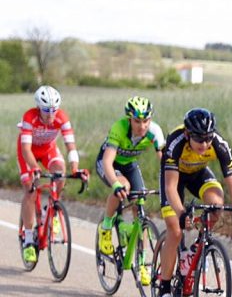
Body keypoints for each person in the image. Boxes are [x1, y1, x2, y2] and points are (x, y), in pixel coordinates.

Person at [155, 108, 232, 297]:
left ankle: (197, 247)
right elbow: (171, 188)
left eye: (208, 138)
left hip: (198, 174)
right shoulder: (175, 142)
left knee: (216, 204)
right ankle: (164, 291)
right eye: (200, 139)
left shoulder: (219, 144)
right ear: (188, 134)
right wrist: (181, 213)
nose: (205, 144)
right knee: (175, 230)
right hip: (174, 178)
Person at [96, 96, 165, 285]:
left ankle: (141, 264)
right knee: (123, 186)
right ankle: (107, 228)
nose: (142, 126)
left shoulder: (154, 132)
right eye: (137, 121)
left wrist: (170, 187)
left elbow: (167, 163)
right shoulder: (119, 128)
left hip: (129, 165)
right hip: (108, 164)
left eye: (146, 121)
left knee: (140, 201)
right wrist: (115, 183)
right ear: (129, 119)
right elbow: (108, 161)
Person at [17, 85, 86, 263]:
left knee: (60, 174)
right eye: (46, 111)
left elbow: (71, 146)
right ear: (39, 108)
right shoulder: (29, 117)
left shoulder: (62, 118)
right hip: (28, 153)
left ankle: (53, 210)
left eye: (54, 110)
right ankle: (29, 239)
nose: (50, 115)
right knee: (30, 190)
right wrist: (34, 168)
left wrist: (75, 168)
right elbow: (25, 148)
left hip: (48, 150)